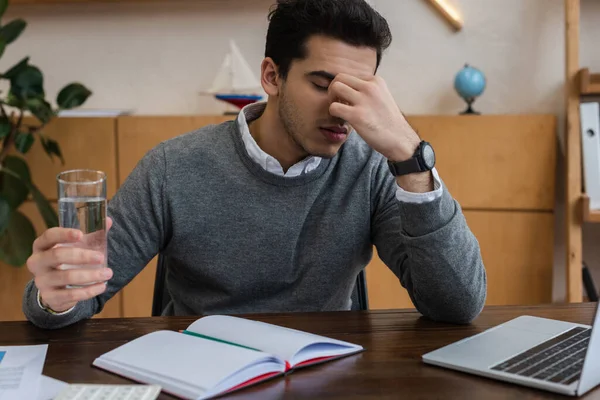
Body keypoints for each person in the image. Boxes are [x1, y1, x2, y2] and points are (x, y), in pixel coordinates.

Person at [22, 0, 486, 329]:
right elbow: (75, 296)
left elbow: (459, 304)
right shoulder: (172, 167)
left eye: (359, 91)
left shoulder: (374, 168)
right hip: (196, 376)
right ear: (272, 76)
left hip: (328, 377)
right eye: (323, 84)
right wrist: (55, 295)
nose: (341, 109)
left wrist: (410, 154)